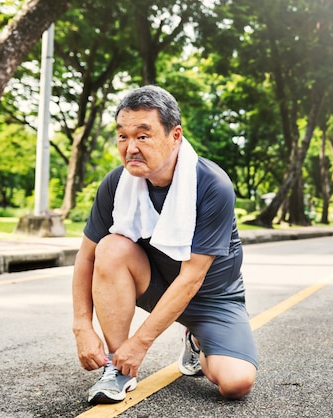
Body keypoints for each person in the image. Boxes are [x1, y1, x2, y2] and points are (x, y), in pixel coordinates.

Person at [71, 85, 258, 405]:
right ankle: (119, 367)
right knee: (110, 247)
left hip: (211, 299)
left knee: (235, 383)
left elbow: (192, 278)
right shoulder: (116, 183)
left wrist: (141, 342)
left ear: (175, 136)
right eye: (122, 136)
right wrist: (82, 326)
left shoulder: (212, 185)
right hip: (155, 285)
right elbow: (86, 258)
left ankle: (197, 340)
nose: (130, 147)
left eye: (143, 136)